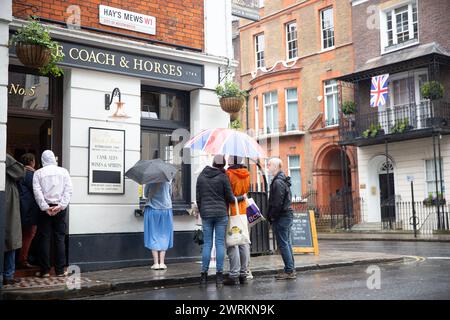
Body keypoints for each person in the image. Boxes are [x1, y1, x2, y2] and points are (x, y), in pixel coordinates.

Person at [196, 155, 246, 287]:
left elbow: (198, 198)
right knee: (219, 244)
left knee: (207, 244)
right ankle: (219, 277)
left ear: (212, 163)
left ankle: (203, 277)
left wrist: (203, 211)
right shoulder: (223, 177)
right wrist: (242, 197)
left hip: (206, 214)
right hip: (221, 214)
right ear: (222, 165)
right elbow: (230, 198)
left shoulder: (201, 176)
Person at [33, 150, 73, 277]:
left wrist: (45, 207)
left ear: (42, 159)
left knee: (44, 238)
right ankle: (60, 271)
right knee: (59, 238)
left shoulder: (38, 173)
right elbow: (68, 190)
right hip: (60, 208)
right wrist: (61, 206)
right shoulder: (64, 171)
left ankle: (45, 271)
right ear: (54, 159)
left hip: (45, 209)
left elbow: (37, 192)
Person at [267, 157, 296, 280]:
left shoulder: (278, 182)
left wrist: (272, 216)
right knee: (287, 243)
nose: (268, 167)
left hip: (282, 216)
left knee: (284, 244)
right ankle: (290, 269)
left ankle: (289, 271)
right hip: (286, 215)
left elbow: (277, 203)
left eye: (269, 165)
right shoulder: (281, 179)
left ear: (276, 166)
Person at [224, 155, 250, 286]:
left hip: (231, 211)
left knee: (233, 241)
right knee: (243, 241)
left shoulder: (228, 174)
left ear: (232, 160)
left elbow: (227, 194)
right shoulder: (247, 173)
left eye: (229, 158)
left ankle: (234, 274)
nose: (227, 160)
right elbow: (245, 192)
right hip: (243, 211)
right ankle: (243, 274)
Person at [2, 154, 25, 285]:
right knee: (12, 238)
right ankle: (8, 274)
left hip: (7, 202)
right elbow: (20, 173)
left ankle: (8, 274)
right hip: (8, 203)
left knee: (11, 238)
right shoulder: (5, 157)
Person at [143, 181, 173, 270]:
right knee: (164, 235)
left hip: (152, 209)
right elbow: (170, 194)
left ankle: (156, 263)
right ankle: (162, 263)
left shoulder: (150, 181)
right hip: (166, 210)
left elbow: (145, 194)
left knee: (153, 234)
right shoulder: (168, 182)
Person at [17, 153, 40, 268]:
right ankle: (23, 260)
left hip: (19, 208)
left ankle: (20, 258)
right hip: (30, 209)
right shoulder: (31, 175)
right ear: (32, 162)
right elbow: (37, 191)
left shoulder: (18, 173)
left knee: (20, 234)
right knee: (29, 234)